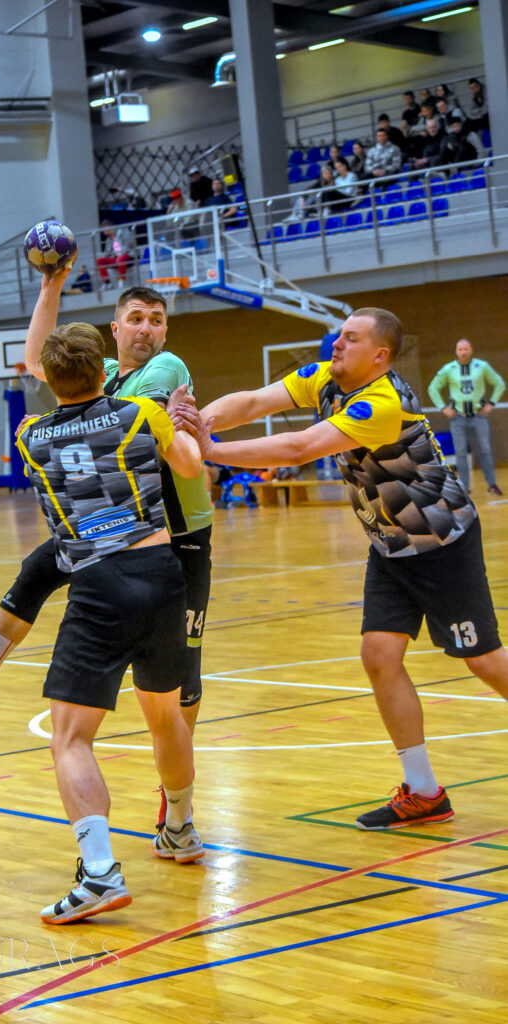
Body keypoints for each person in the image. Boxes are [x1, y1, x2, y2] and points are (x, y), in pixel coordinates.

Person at [174, 307, 508, 830]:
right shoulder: (327, 377)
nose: (337, 343)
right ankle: (424, 791)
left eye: (351, 338)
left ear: (379, 355)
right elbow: (256, 401)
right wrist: (193, 423)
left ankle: (424, 789)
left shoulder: (382, 401)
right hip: (390, 545)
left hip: (440, 541)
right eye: (340, 334)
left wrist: (211, 450)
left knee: (484, 661)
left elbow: (299, 447)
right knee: (379, 656)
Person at [0, 273, 214, 822]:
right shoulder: (102, 374)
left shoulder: (164, 369)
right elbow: (46, 362)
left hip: (175, 532)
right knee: (36, 569)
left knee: (182, 680)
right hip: (110, 525)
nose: (146, 329)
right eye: (135, 319)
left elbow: (98, 411)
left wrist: (57, 408)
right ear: (115, 329)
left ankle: (175, 796)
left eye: (156, 321)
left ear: (165, 331)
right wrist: (50, 286)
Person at [14, 320, 203, 923]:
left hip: (99, 583)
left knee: (70, 737)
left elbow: (49, 413)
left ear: (50, 380)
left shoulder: (28, 436)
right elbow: (191, 468)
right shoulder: (143, 412)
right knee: (165, 716)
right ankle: (180, 828)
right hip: (162, 574)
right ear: (105, 371)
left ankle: (99, 873)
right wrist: (181, 423)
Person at [428, 338, 505, 495]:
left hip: (479, 416)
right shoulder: (449, 369)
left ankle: (492, 484)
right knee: (461, 453)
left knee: (485, 450)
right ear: (456, 352)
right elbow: (433, 388)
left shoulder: (482, 366)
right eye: (460, 349)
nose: (463, 352)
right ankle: (464, 487)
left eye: (466, 349)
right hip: (458, 418)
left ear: (471, 350)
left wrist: (491, 403)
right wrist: (443, 407)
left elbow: (499, 384)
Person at [96, 221, 134, 288]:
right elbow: (107, 252)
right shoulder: (108, 239)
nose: (103, 232)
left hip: (127, 255)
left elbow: (129, 244)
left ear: (108, 227)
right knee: (100, 261)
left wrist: (121, 254)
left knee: (121, 259)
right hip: (115, 258)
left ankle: (121, 281)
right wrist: (105, 257)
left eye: (103, 229)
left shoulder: (123, 231)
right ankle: (107, 283)